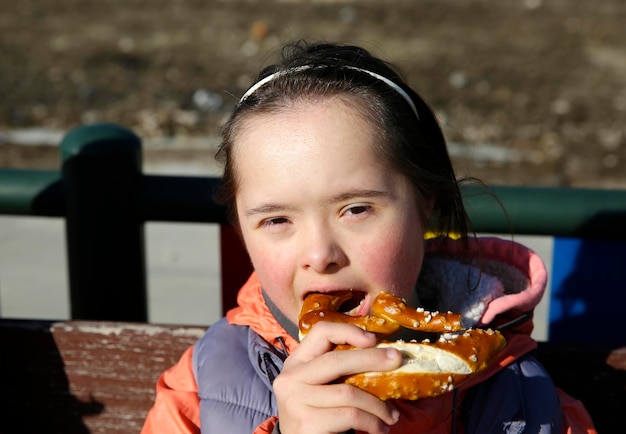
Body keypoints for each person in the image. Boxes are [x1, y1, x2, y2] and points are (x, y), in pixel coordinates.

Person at [141, 41, 596, 434]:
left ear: (425, 204)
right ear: (242, 230)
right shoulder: (204, 390)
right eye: (277, 220)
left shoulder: (522, 401)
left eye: (356, 209)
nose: (320, 255)